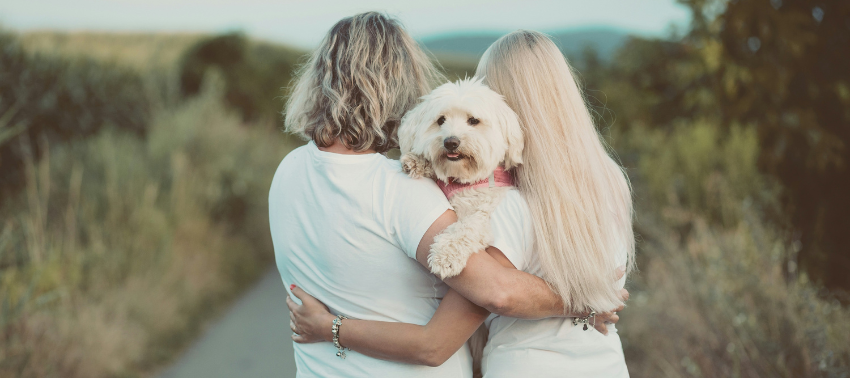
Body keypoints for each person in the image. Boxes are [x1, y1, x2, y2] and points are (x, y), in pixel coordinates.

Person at [286, 29, 635, 378]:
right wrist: (593, 299)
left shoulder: (509, 206)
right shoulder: (611, 180)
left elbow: (459, 323)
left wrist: (331, 327)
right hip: (606, 363)